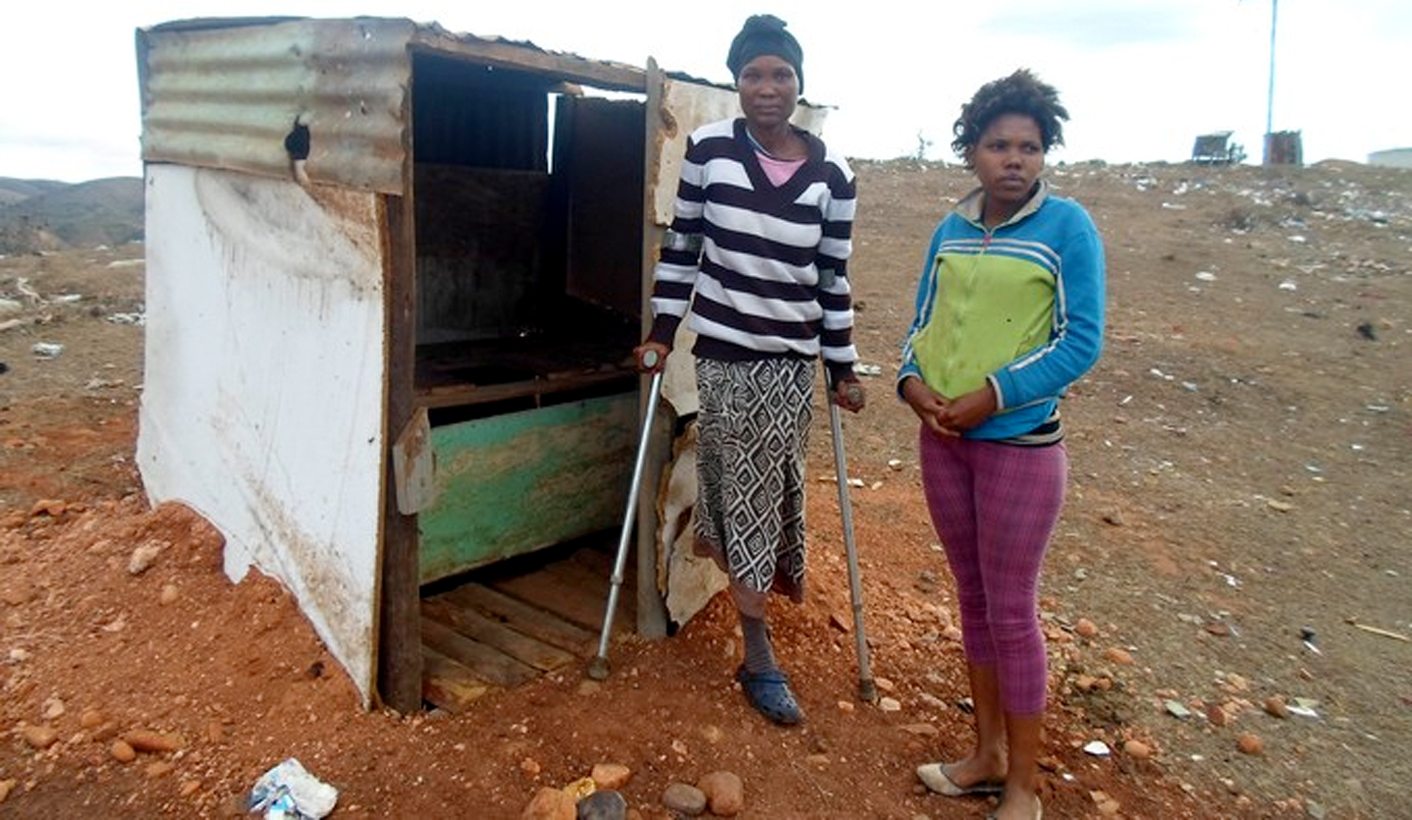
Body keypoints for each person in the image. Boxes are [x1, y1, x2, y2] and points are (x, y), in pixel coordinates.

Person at [634, 13, 864, 726]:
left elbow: (833, 279)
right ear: (737, 83)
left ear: (800, 83)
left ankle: (755, 628)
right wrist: (660, 332)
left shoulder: (834, 176)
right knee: (746, 498)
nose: (768, 88)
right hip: (728, 363)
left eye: (781, 75)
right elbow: (684, 250)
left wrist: (844, 368)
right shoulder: (707, 151)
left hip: (792, 370)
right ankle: (759, 654)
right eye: (754, 74)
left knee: (774, 495)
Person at [898, 69, 1105, 820]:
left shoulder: (1067, 228)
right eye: (998, 145)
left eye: (1029, 146)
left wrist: (994, 394)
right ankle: (985, 756)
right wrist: (913, 387)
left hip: (1018, 447)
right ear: (972, 152)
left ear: (1046, 152)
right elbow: (919, 323)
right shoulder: (951, 231)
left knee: (1011, 610)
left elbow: (1081, 341)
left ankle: (1024, 789)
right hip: (942, 441)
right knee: (974, 600)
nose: (1014, 159)